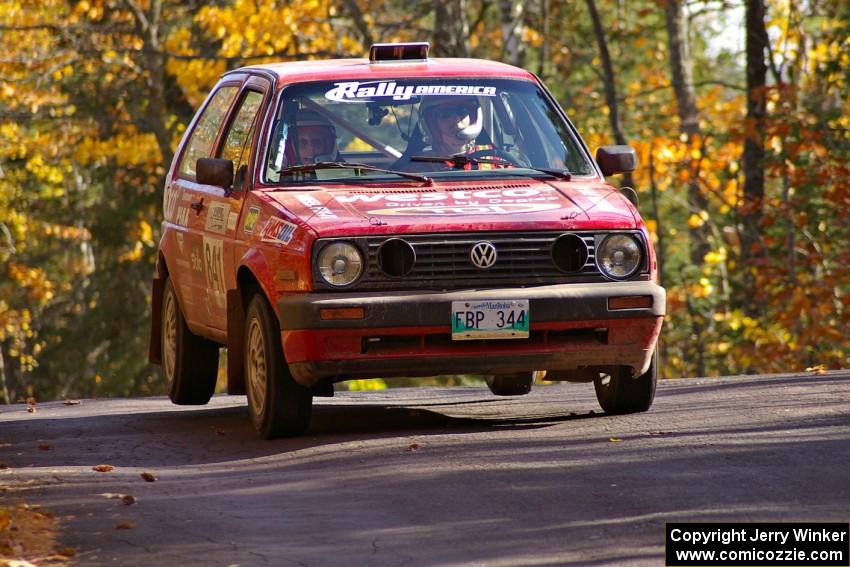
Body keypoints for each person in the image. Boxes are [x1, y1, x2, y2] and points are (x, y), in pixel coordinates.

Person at [414, 96, 508, 170]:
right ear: (432, 124)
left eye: (462, 112)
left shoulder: (493, 158)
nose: (456, 122)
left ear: (474, 118)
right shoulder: (419, 167)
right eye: (445, 115)